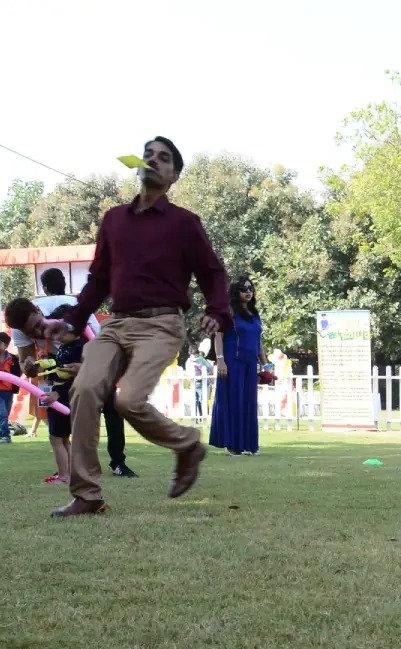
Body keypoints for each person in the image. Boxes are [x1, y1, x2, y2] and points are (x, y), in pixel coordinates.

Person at [50, 136, 229, 517]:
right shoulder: (114, 219)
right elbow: (98, 279)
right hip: (116, 324)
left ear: (174, 175)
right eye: (148, 154)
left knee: (128, 400)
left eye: (163, 158)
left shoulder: (184, 223)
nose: (153, 160)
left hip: (161, 325)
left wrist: (218, 310)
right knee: (83, 389)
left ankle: (187, 445)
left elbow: (212, 273)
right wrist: (74, 319)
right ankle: (87, 494)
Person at [25, 270, 135, 478]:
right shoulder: (75, 307)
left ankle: (73, 467)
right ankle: (115, 462)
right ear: (64, 283)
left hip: (78, 377)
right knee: (108, 414)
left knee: (75, 426)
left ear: (44, 287)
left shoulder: (42, 310)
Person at [207, 276, 262, 455]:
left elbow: (259, 341)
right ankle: (232, 444)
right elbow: (218, 336)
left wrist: (266, 364)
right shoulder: (228, 312)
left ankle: (249, 444)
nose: (248, 292)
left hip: (250, 364)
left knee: (249, 402)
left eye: (250, 288)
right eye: (243, 289)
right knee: (234, 401)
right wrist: (220, 359)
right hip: (232, 362)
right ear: (235, 292)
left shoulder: (254, 314)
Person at [35, 315, 87, 482]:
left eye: (59, 332)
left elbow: (72, 377)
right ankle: (69, 473)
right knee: (63, 437)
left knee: (56, 437)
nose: (55, 336)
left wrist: (59, 393)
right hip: (63, 394)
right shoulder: (69, 347)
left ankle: (64, 475)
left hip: (64, 395)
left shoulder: (77, 349)